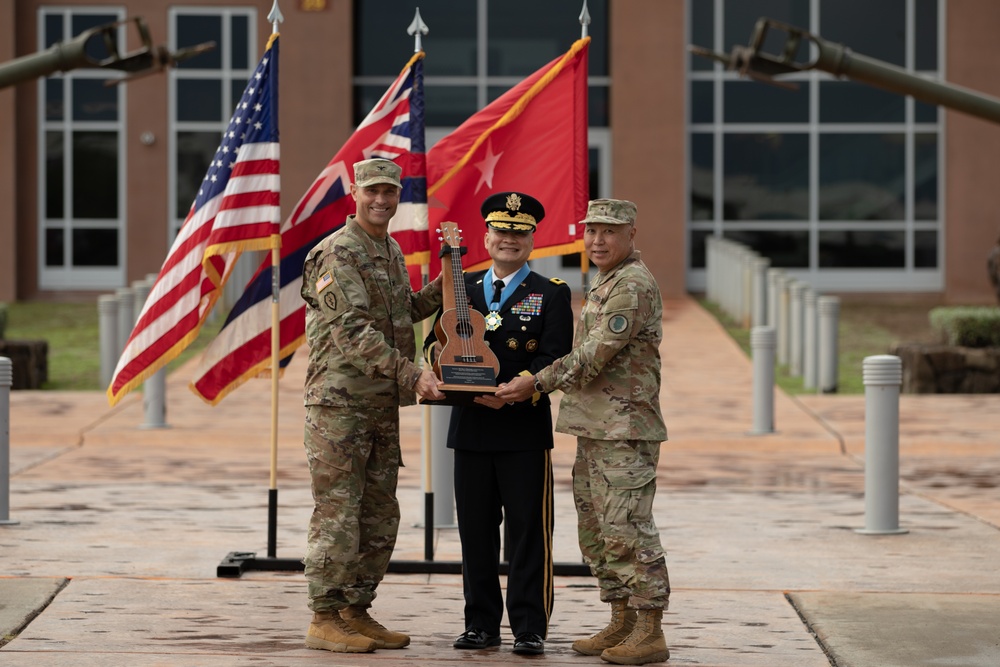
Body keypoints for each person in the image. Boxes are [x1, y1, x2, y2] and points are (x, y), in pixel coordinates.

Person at [496, 198, 671, 665]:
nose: (597, 240)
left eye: (609, 232)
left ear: (631, 234)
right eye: (591, 231)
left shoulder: (631, 285)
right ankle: (622, 620)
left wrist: (536, 381)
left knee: (627, 528)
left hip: (624, 430)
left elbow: (594, 354)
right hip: (596, 426)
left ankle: (650, 628)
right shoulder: (606, 279)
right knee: (597, 531)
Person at [299, 158, 445, 654]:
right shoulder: (337, 252)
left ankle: (354, 610)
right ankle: (324, 614)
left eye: (390, 191)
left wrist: (449, 283)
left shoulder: (387, 248)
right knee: (339, 512)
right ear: (355, 195)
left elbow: (401, 313)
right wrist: (413, 374)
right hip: (339, 407)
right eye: (373, 191)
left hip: (380, 405)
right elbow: (352, 333)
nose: (381, 200)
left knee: (379, 514)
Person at [423, 192, 573, 656]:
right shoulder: (460, 285)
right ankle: (480, 624)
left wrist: (520, 388)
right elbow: (434, 343)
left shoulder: (552, 292)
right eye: (501, 231)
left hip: (523, 430)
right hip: (470, 427)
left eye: (519, 233)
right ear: (486, 236)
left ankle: (529, 627)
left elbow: (555, 358)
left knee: (529, 531)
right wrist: (438, 371)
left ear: (532, 239)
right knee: (475, 530)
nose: (509, 239)